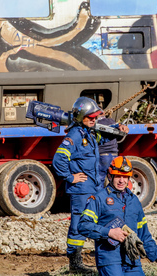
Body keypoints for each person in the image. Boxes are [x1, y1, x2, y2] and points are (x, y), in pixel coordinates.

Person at [78, 156, 157, 275]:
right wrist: (109, 233)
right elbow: (83, 225)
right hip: (110, 261)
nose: (122, 180)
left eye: (125, 177)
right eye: (118, 176)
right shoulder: (98, 199)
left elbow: (144, 235)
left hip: (132, 260)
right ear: (110, 176)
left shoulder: (134, 201)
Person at [52, 96, 103, 274]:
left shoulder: (87, 133)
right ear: (81, 117)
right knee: (78, 225)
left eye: (96, 117)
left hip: (92, 188)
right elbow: (59, 159)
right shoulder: (74, 135)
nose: (94, 120)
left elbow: (101, 142)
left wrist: (119, 129)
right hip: (81, 190)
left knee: (93, 221)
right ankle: (75, 264)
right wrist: (70, 177)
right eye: (91, 117)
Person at [96, 114, 129, 189]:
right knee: (114, 180)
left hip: (103, 155)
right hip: (114, 155)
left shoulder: (97, 123)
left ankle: (99, 198)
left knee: (100, 179)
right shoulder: (112, 121)